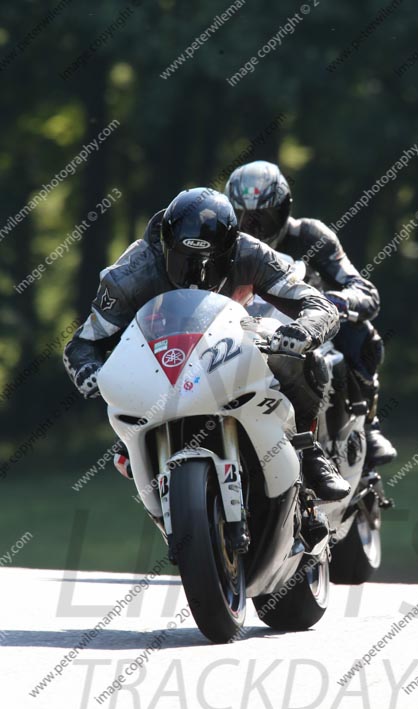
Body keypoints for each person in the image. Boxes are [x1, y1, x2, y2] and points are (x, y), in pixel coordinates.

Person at [63, 188, 351, 517]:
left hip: (232, 340)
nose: (195, 274)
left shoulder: (251, 252)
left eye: (208, 263)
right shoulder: (131, 272)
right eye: (184, 261)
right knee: (124, 457)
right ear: (166, 246)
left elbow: (317, 303)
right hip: (159, 366)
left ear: (230, 250)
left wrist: (305, 331)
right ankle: (150, 456)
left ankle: (309, 450)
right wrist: (88, 371)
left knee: (304, 359)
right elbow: (83, 343)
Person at [224, 161, 397, 467]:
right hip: (250, 330)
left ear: (283, 208)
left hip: (310, 327)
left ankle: (368, 426)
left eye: (263, 216)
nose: (254, 227)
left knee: (362, 333)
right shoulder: (225, 248)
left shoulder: (310, 234)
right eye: (244, 217)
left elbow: (364, 290)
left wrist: (335, 303)